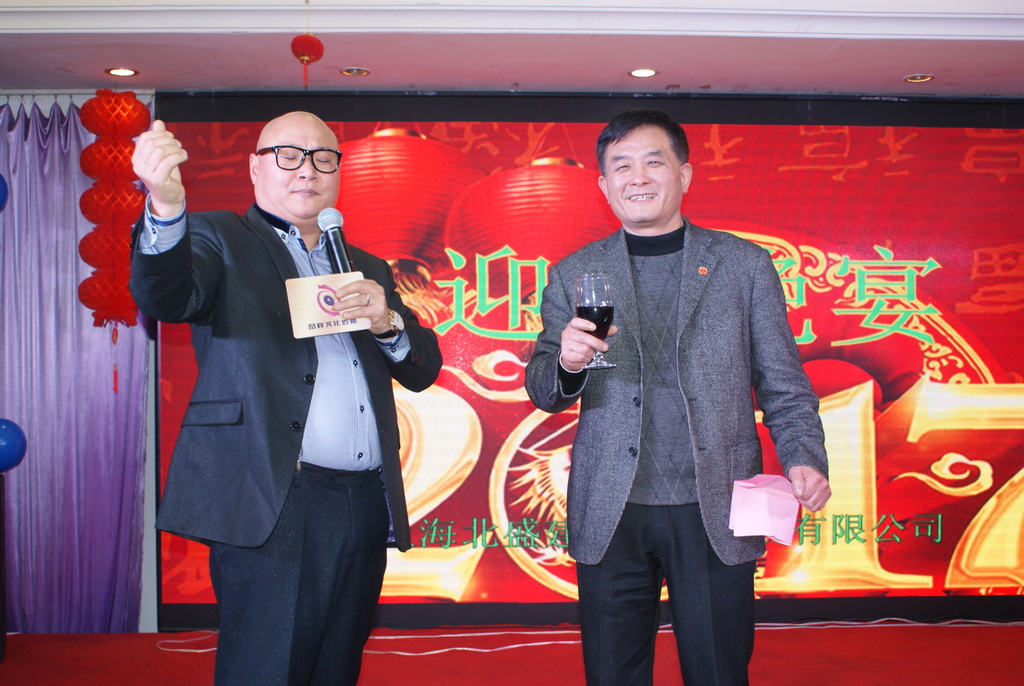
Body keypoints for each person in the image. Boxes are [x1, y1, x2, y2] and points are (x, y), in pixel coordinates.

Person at [130, 112, 443, 686]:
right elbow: (166, 296)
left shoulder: (366, 267)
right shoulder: (221, 237)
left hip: (363, 500)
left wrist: (388, 322)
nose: (308, 171)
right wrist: (167, 206)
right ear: (255, 167)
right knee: (267, 668)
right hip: (276, 497)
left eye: (324, 158)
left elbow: (423, 370)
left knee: (336, 666)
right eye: (289, 156)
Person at [524, 108, 831, 685]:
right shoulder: (574, 273)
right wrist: (566, 363)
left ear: (684, 174)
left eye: (653, 162)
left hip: (715, 504)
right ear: (603, 186)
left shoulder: (743, 266)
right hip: (612, 508)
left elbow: (783, 382)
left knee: (717, 671)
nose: (637, 177)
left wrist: (804, 456)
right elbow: (544, 389)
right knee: (612, 674)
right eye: (621, 166)